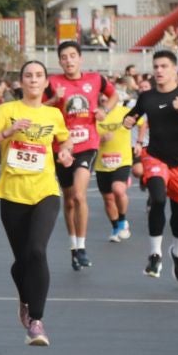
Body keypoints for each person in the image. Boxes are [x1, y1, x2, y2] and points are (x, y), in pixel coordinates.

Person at [0, 60, 71, 345]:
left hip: (45, 191)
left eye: (39, 75)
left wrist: (66, 153)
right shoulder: (5, 111)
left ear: (46, 83)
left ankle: (37, 321)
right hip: (12, 193)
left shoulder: (54, 114)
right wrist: (7, 132)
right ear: (21, 82)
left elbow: (64, 142)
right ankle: (25, 298)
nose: (33, 79)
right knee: (22, 261)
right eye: (28, 75)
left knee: (37, 251)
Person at [126, 50, 178, 283]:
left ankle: (177, 253)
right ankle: (154, 254)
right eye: (156, 67)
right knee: (158, 199)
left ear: (174, 69)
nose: (159, 71)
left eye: (163, 66)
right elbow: (132, 116)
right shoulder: (148, 97)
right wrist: (127, 121)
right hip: (155, 156)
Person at [46, 39, 118, 271]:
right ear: (60, 61)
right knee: (68, 201)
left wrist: (104, 110)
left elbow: (114, 95)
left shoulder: (95, 79)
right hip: (62, 147)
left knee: (79, 195)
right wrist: (53, 100)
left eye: (72, 56)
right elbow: (38, 106)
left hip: (88, 143)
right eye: (64, 57)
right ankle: (73, 247)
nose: (68, 60)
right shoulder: (53, 82)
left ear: (80, 58)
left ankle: (83, 247)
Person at [95, 95, 135, 245]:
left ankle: (123, 220)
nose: (104, 101)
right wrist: (100, 140)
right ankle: (115, 227)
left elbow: (143, 123)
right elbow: (88, 138)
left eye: (107, 98)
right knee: (108, 198)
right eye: (102, 99)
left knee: (118, 189)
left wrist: (138, 142)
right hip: (102, 162)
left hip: (122, 159)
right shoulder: (94, 116)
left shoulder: (125, 111)